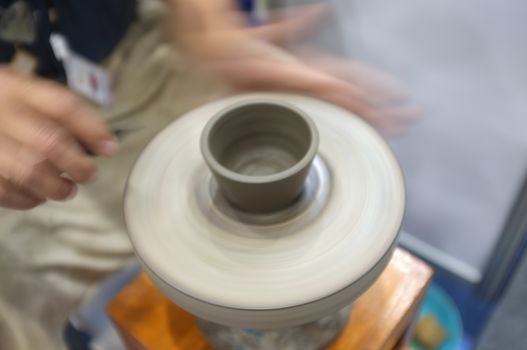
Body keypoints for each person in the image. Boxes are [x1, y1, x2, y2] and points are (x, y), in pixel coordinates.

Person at [0, 0, 417, 348]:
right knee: (14, 313)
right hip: (22, 108)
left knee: (310, 115)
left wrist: (201, 10)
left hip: (131, 37)